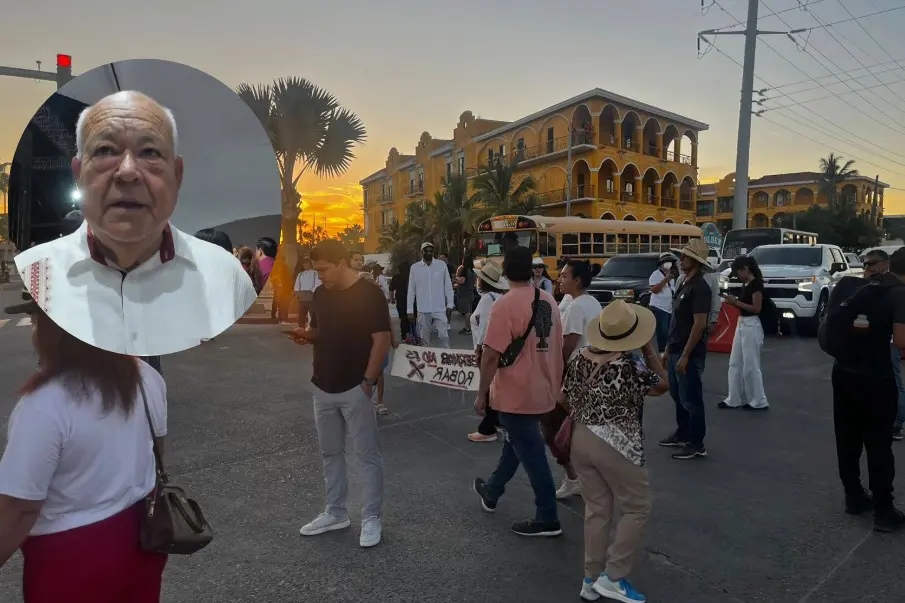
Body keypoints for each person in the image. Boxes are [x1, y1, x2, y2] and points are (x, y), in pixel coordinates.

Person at [12, 91, 258, 357]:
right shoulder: (37, 270)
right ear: (78, 173)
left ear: (177, 175)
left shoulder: (227, 277)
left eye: (150, 152)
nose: (128, 171)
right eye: (106, 150)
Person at [0, 292, 168, 602]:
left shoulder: (44, 404)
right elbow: (154, 450)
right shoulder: (147, 378)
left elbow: (19, 507)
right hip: (142, 539)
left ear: (57, 334)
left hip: (70, 557)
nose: (34, 335)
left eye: (38, 324)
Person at [562, 300, 669, 603]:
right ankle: (613, 576)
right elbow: (663, 385)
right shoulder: (630, 365)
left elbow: (562, 397)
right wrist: (649, 350)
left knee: (596, 510)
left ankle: (590, 578)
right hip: (616, 441)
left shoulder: (579, 357)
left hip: (580, 439)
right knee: (637, 506)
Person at [296, 240, 390, 548]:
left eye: (323, 269)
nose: (319, 276)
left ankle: (372, 517)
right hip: (322, 385)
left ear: (341, 263)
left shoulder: (370, 294)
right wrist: (307, 336)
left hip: (355, 387)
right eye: (316, 270)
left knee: (367, 456)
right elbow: (324, 331)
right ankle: (336, 512)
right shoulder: (321, 294)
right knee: (330, 453)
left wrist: (368, 382)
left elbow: (381, 340)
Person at [472, 246, 565, 537]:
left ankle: (548, 516)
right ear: (533, 270)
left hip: (515, 393)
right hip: (544, 388)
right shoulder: (549, 300)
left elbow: (490, 355)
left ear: (505, 271)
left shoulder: (504, 305)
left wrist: (482, 392)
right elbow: (558, 346)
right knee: (516, 443)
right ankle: (492, 490)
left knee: (532, 453)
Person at [824, 247, 905, 532]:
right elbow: (901, 340)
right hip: (875, 378)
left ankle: (854, 496)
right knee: (878, 444)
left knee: (846, 438)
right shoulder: (896, 293)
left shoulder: (849, 287)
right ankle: (884, 511)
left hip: (842, 372)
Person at [545, 259, 603, 501]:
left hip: (575, 378)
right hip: (593, 374)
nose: (560, 279)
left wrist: (553, 373)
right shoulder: (593, 302)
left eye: (565, 276)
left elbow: (567, 346)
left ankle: (573, 478)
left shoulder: (577, 307)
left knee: (551, 427)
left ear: (577, 280)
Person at [658, 239, 712, 460]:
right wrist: (668, 349)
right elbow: (676, 321)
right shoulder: (684, 282)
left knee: (691, 398)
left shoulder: (700, 287)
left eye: (685, 257)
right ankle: (683, 432)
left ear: (696, 262)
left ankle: (696, 442)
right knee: (678, 394)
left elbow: (699, 324)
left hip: (688, 352)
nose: (680, 260)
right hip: (676, 348)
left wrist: (686, 355)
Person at [467, 261, 509, 443]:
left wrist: (478, 348)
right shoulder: (498, 298)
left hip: (487, 347)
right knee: (494, 386)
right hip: (500, 347)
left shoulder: (486, 300)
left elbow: (484, 325)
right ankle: (497, 420)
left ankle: (488, 428)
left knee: (488, 387)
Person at [720, 255, 769, 411]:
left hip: (752, 324)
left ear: (745, 269)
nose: (737, 276)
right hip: (742, 324)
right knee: (735, 363)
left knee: (751, 364)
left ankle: (759, 400)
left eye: (738, 272)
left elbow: (756, 308)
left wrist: (735, 302)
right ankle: (733, 398)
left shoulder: (756, 285)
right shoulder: (746, 284)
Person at [407, 242, 454, 348]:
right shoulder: (415, 268)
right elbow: (411, 290)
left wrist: (450, 304)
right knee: (424, 339)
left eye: (431, 251)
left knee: (444, 336)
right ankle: (427, 361)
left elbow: (448, 286)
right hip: (423, 309)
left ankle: (446, 357)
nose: (429, 253)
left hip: (439, 308)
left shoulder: (441, 265)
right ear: (421, 252)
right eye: (426, 251)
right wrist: (409, 310)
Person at [648, 253, 678, 353]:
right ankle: (662, 352)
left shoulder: (675, 275)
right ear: (661, 264)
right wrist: (665, 279)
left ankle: (667, 352)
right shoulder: (656, 274)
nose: (668, 264)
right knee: (663, 332)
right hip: (659, 307)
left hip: (670, 308)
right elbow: (654, 290)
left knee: (670, 331)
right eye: (666, 262)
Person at [294, 256, 320, 329]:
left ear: (310, 264)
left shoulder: (315, 273)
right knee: (301, 313)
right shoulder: (301, 274)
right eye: (304, 264)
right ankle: (301, 327)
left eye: (307, 263)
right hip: (302, 296)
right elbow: (297, 285)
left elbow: (317, 283)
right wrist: (297, 292)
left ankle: (312, 327)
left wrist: (312, 291)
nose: (305, 265)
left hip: (311, 296)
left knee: (312, 313)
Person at [390, 261, 412, 340]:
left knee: (403, 318)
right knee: (411, 317)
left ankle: (404, 334)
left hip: (400, 300)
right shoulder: (411, 276)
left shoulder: (396, 277)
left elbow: (391, 289)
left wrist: (392, 299)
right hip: (411, 301)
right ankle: (411, 332)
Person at [455, 255, 477, 335]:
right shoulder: (473, 271)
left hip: (464, 293)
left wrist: (455, 278)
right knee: (469, 311)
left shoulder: (464, 270)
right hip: (471, 292)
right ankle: (467, 327)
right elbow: (475, 282)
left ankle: (468, 328)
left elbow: (462, 281)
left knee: (467, 312)